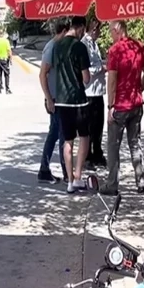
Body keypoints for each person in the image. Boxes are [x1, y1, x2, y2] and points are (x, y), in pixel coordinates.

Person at [100, 20, 144, 196]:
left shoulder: (115, 51)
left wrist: (110, 106)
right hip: (136, 104)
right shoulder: (139, 46)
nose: (110, 36)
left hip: (120, 106)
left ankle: (112, 184)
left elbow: (112, 80)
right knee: (135, 143)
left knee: (113, 146)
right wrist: (138, 90)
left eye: (110, 32)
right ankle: (141, 181)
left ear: (117, 30)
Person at [48, 16, 91, 193]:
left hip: (62, 102)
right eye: (84, 31)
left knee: (67, 141)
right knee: (84, 137)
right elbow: (86, 78)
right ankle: (79, 176)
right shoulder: (80, 47)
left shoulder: (56, 47)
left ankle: (70, 182)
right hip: (78, 101)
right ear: (80, 28)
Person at [37, 19, 69, 184]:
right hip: (54, 99)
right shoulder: (51, 47)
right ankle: (66, 172)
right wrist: (49, 99)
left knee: (55, 134)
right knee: (61, 135)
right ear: (63, 32)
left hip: (58, 98)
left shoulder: (57, 47)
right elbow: (42, 74)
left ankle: (45, 169)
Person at [81, 18, 106, 169]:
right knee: (90, 126)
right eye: (99, 29)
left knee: (98, 125)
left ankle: (97, 153)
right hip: (89, 91)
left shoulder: (94, 44)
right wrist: (101, 69)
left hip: (98, 91)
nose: (100, 33)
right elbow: (86, 69)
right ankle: (88, 156)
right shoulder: (85, 44)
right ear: (94, 29)